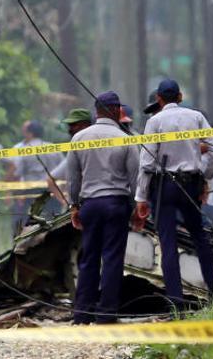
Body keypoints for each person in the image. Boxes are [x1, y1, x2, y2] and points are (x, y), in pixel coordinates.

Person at [133, 79, 213, 307]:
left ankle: (176, 302)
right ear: (180, 97)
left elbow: (146, 164)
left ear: (159, 99)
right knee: (200, 239)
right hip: (191, 185)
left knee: (168, 242)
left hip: (165, 187)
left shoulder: (154, 121)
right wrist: (204, 175)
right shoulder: (196, 117)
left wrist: (141, 198)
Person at [67, 92, 139, 324]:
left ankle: (82, 313)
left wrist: (74, 205)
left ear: (96, 111)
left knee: (89, 258)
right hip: (116, 205)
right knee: (112, 259)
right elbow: (135, 177)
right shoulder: (125, 139)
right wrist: (138, 206)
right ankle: (106, 314)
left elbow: (73, 178)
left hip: (90, 204)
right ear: (118, 110)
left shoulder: (79, 138)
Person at [47, 109, 93, 207]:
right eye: (69, 125)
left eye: (73, 125)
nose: (69, 129)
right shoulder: (73, 152)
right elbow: (50, 180)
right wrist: (66, 202)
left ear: (85, 126)